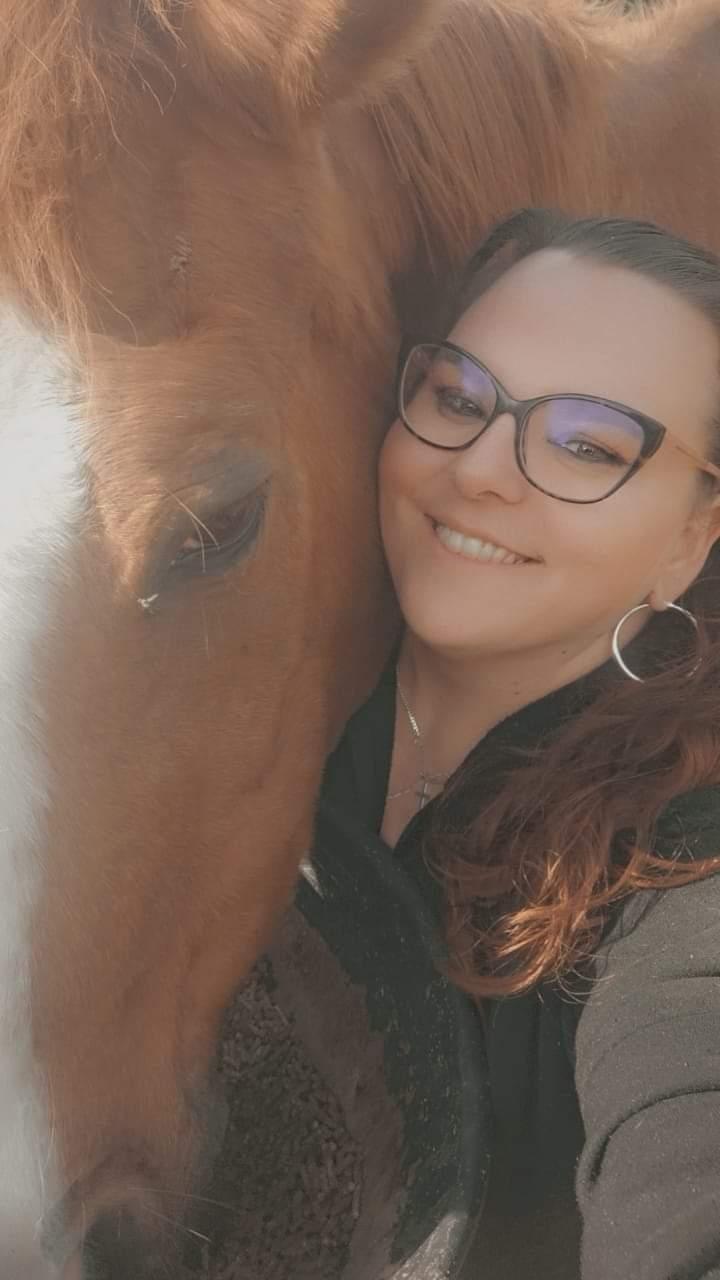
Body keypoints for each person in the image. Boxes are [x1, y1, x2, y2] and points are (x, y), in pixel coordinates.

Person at [320, 208, 720, 1280]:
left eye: (587, 442)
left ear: (689, 540)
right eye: (459, 396)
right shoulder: (270, 681)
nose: (486, 469)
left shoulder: (679, 859)